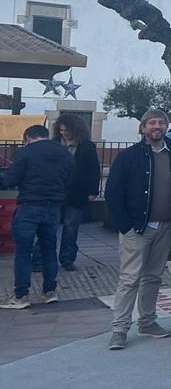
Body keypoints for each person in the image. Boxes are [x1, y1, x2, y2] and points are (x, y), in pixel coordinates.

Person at [103, 109, 171, 350]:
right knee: (130, 279)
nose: (156, 126)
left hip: (166, 226)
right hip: (137, 228)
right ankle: (119, 329)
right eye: (152, 123)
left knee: (154, 277)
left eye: (161, 122)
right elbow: (113, 192)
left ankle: (147, 322)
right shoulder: (129, 156)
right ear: (143, 128)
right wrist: (125, 226)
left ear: (166, 127)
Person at [0, 126, 74, 310]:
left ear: (27, 137)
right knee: (49, 249)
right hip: (53, 207)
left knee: (23, 252)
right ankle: (50, 291)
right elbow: (70, 179)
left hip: (29, 206)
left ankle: (21, 296)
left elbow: (10, 180)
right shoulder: (64, 153)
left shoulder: (25, 152)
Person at [52, 114, 101, 272]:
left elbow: (94, 169)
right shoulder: (54, 144)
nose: (64, 133)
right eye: (61, 130)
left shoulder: (86, 146)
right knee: (49, 226)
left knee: (71, 227)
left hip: (76, 192)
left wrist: (93, 191)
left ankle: (67, 259)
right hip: (55, 191)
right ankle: (42, 258)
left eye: (67, 130)